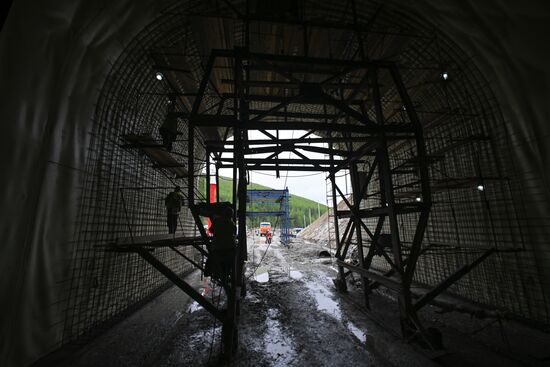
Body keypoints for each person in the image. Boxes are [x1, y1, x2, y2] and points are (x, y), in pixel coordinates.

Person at [208, 206, 236, 284]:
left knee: (214, 260)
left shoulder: (217, 220)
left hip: (217, 249)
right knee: (231, 261)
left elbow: (210, 230)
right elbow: (234, 234)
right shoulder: (232, 224)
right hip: (229, 249)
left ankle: (215, 273)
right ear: (231, 216)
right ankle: (227, 275)